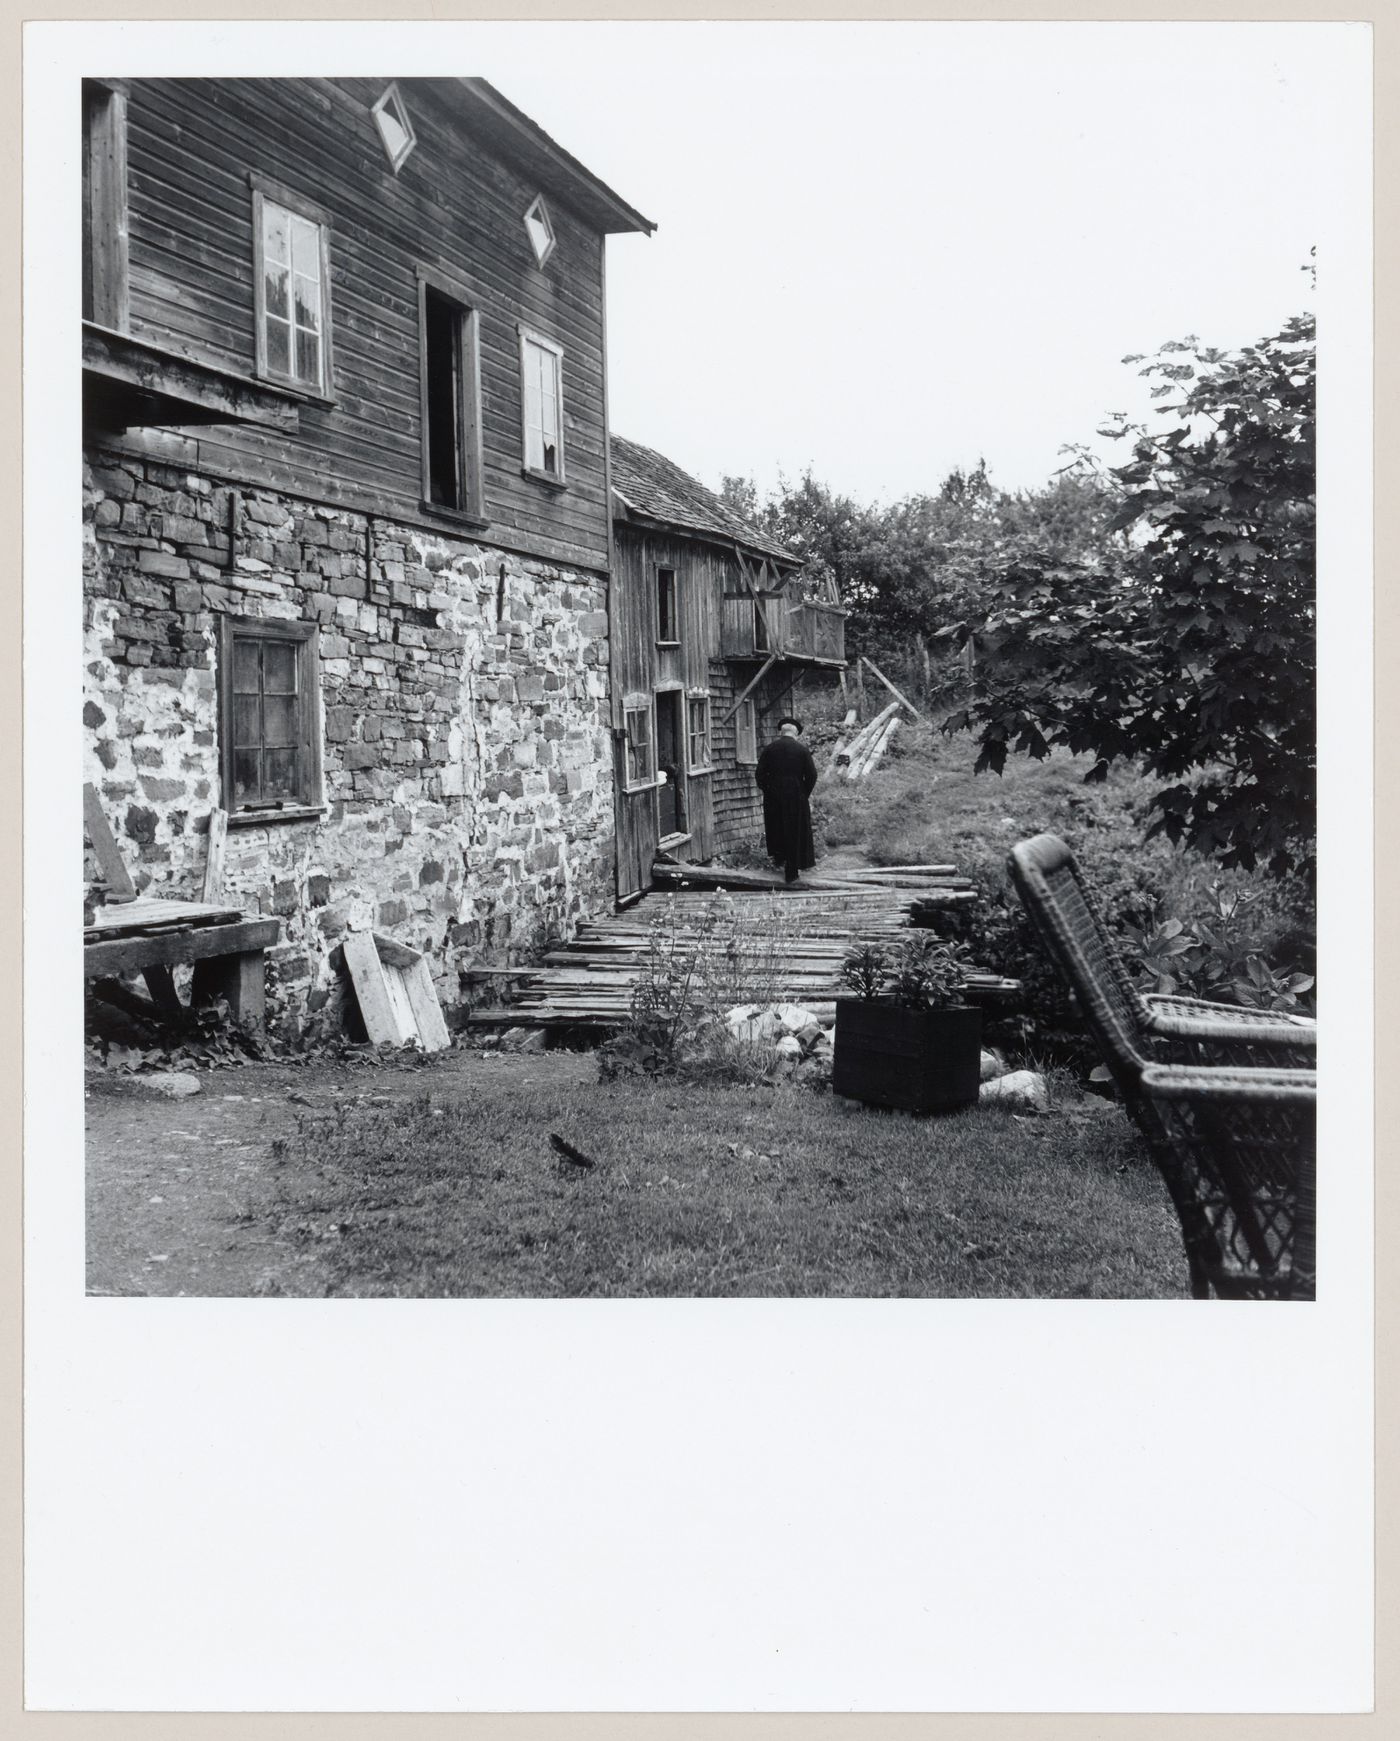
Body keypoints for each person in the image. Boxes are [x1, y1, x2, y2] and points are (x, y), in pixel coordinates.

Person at [754, 715, 818, 883]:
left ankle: (779, 860)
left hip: (774, 797)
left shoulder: (769, 749)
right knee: (794, 831)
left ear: (781, 733)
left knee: (777, 828)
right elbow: (812, 775)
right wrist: (804, 793)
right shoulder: (802, 750)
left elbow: (759, 774)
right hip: (796, 798)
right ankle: (792, 870)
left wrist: (767, 790)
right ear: (795, 733)